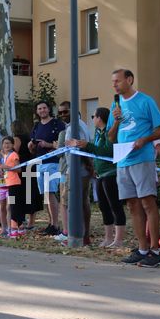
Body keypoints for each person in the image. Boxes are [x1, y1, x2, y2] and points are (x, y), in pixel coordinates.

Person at [108, 68, 160, 268]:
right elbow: (111, 137)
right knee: (132, 205)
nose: (114, 85)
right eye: (113, 82)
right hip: (123, 160)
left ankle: (155, 250)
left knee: (147, 203)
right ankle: (142, 249)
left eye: (117, 81)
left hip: (142, 159)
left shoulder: (145, 101)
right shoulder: (116, 105)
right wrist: (116, 122)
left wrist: (145, 139)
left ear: (129, 80)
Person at [70, 107, 126, 248]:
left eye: (93, 116)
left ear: (100, 118)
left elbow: (107, 151)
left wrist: (88, 146)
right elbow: (96, 152)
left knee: (115, 205)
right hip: (100, 174)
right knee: (103, 206)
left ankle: (119, 239)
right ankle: (108, 238)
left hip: (111, 173)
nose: (93, 119)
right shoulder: (97, 132)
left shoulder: (110, 132)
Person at [55, 101, 91, 245]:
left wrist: (88, 165)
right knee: (82, 202)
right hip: (80, 169)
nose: (62, 115)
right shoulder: (78, 125)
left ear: (73, 110)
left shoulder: (76, 127)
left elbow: (82, 147)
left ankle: (74, 236)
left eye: (65, 111)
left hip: (77, 170)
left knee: (72, 203)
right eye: (60, 112)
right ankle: (84, 236)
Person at [28, 100, 67, 236]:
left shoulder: (57, 124)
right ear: (36, 111)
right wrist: (31, 147)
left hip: (53, 162)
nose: (42, 110)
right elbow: (33, 148)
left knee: (50, 193)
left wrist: (48, 144)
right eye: (39, 108)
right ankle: (51, 223)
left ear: (49, 109)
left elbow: (62, 144)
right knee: (45, 194)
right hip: (40, 162)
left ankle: (55, 225)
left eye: (44, 108)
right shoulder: (36, 126)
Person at [0, 136, 24, 239]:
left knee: (13, 207)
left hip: (14, 184)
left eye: (9, 143)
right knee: (15, 206)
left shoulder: (13, 154)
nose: (7, 145)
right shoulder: (5, 156)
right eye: (5, 143)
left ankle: (14, 230)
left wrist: (7, 168)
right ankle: (20, 228)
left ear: (13, 145)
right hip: (9, 184)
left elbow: (19, 169)